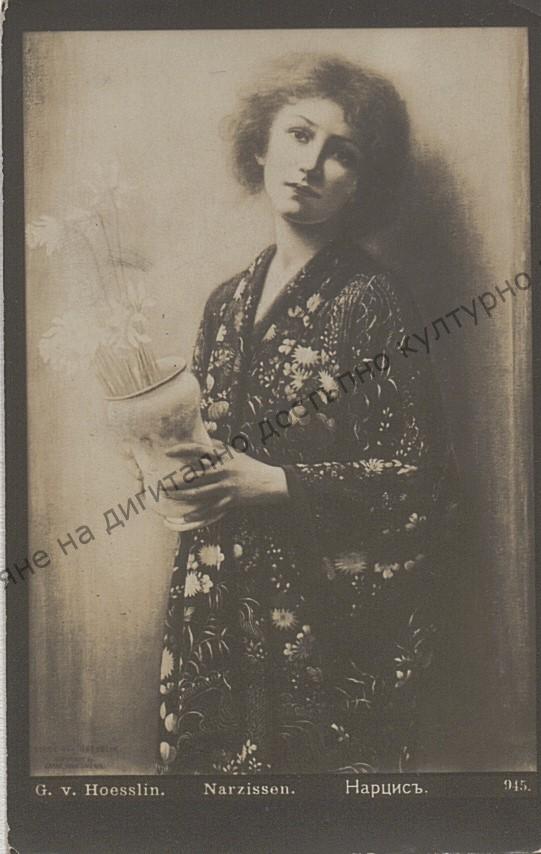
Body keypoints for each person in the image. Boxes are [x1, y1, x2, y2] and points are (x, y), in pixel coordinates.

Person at [156, 52, 457, 775]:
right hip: (216, 603)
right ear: (260, 143)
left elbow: (419, 477)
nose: (311, 165)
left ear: (362, 184)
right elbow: (205, 443)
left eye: (341, 153)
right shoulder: (226, 303)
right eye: (298, 135)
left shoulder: (372, 299)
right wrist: (177, 475)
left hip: (322, 622)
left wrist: (278, 484)